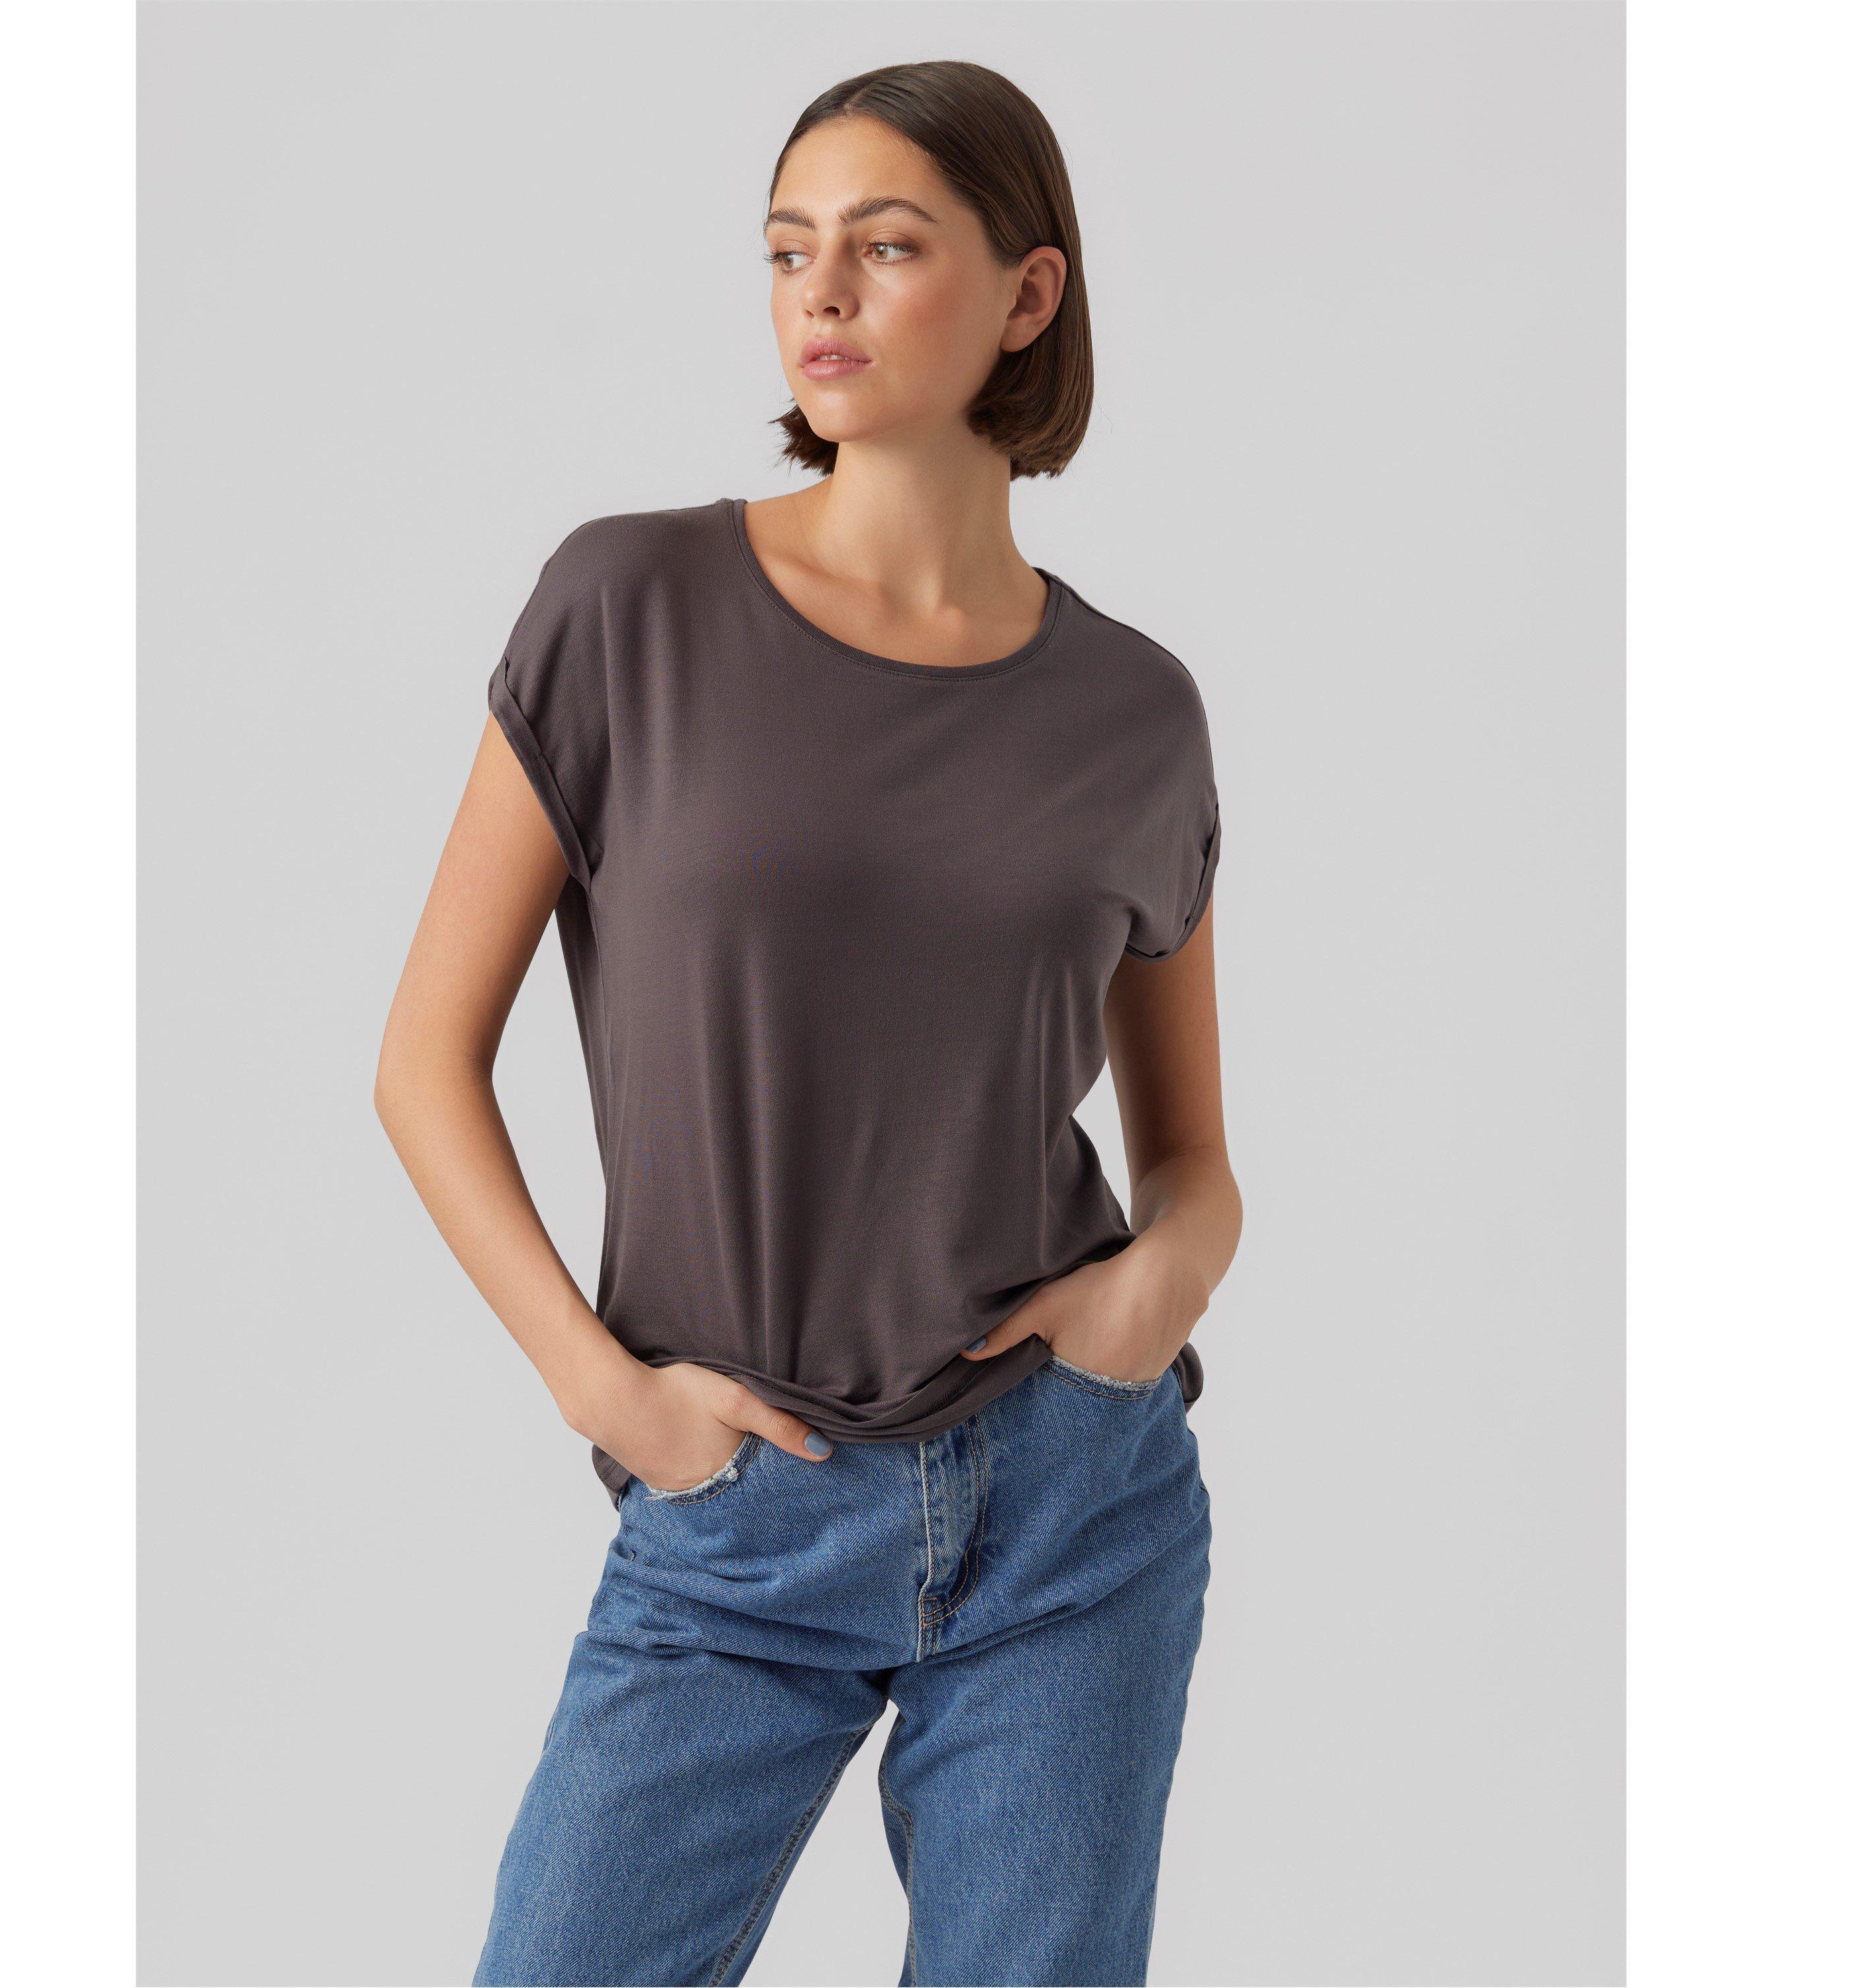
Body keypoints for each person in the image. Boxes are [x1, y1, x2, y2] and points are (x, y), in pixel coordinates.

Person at [375, 58, 1243, 1988]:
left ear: (1028, 294)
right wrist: (608, 1396)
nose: (822, 293)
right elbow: (423, 1062)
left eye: (887, 245)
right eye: (789, 251)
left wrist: (1154, 1292)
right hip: (739, 1513)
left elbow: (1193, 1155)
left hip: (1072, 1515)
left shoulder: (1136, 713)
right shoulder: (630, 606)